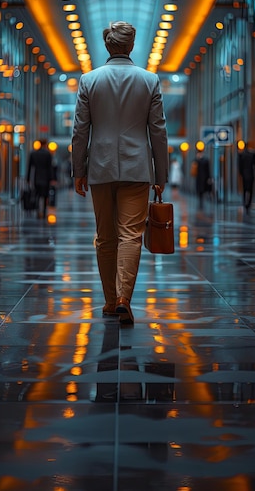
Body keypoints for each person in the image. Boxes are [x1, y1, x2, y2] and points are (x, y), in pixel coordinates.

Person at [71, 21, 169, 325]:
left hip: (99, 169)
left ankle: (110, 301)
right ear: (130, 46)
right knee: (131, 235)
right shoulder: (149, 80)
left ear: (107, 46)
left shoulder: (89, 80)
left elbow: (79, 131)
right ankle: (125, 297)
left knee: (105, 237)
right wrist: (161, 176)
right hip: (137, 169)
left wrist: (78, 170)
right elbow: (159, 132)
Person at [27, 138, 53, 218]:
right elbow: (50, 167)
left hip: (36, 177)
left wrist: (28, 178)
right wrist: (52, 178)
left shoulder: (34, 154)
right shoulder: (48, 154)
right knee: (45, 195)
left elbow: (30, 167)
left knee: (37, 194)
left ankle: (38, 209)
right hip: (46, 177)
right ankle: (44, 210)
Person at [238, 141, 255, 213]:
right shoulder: (252, 154)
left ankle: (245, 203)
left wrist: (241, 173)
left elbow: (240, 166)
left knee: (245, 190)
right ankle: (249, 204)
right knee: (250, 190)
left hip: (245, 175)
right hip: (251, 174)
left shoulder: (242, 155)